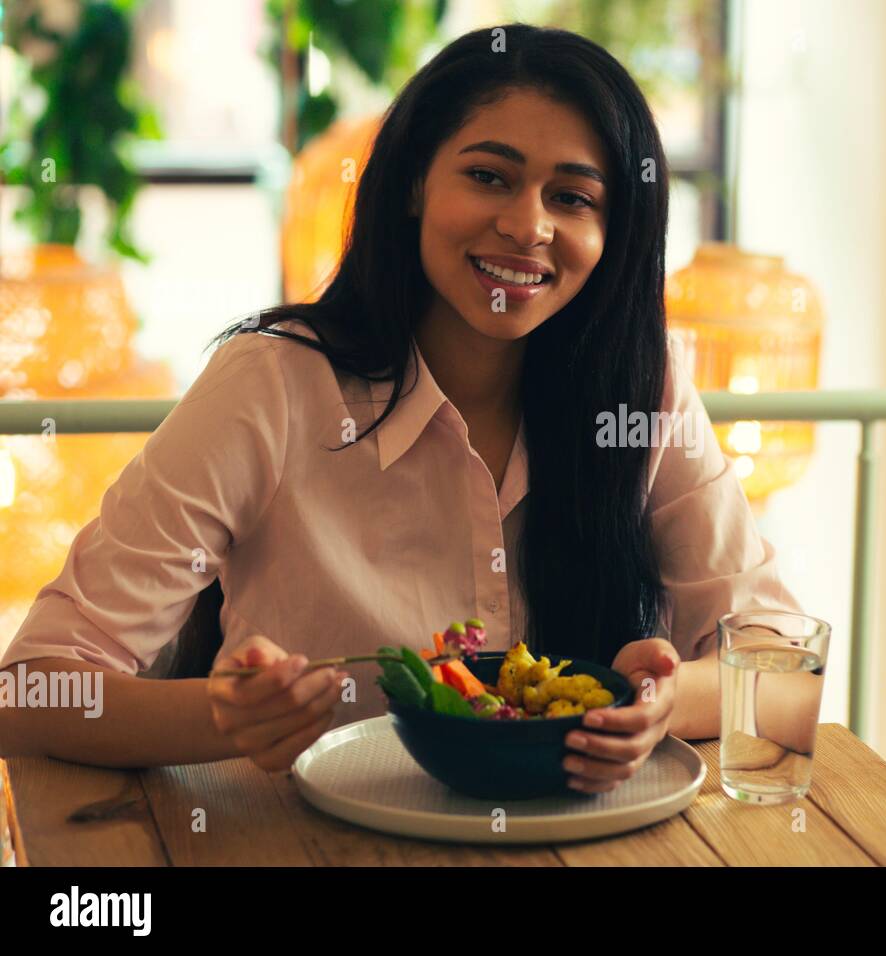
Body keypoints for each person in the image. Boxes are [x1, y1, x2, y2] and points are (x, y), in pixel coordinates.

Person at [0, 24, 801, 793]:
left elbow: (789, 678)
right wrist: (220, 718)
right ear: (415, 181)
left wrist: (659, 707)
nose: (528, 226)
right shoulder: (272, 385)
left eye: (572, 197)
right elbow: (27, 694)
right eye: (489, 176)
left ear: (614, 229)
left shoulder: (641, 389)